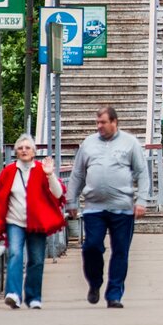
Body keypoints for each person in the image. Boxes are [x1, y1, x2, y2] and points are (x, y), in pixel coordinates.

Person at [67, 106, 150, 309]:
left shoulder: (129, 143)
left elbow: (142, 173)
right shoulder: (88, 144)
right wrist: (71, 201)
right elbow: (77, 174)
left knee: (120, 252)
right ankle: (95, 283)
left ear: (114, 122)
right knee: (91, 247)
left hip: (122, 208)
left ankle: (114, 295)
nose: (99, 126)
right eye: (97, 123)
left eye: (103, 122)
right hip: (94, 207)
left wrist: (141, 201)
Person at [0, 133, 66, 310]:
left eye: (27, 148)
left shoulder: (41, 170)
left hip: (37, 222)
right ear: (15, 151)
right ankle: (13, 293)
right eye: (20, 148)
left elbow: (58, 193)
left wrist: (50, 174)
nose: (24, 151)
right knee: (15, 253)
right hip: (15, 220)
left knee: (36, 259)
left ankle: (33, 296)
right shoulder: (9, 172)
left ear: (34, 151)